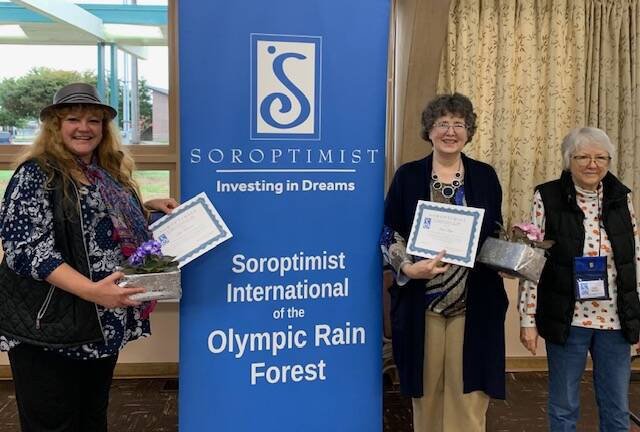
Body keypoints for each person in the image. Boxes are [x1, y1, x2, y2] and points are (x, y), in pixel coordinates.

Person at [0, 82, 178, 432]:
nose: (85, 127)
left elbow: (95, 220)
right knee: (53, 423)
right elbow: (26, 250)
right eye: (73, 119)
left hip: (99, 324)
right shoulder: (37, 174)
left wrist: (146, 207)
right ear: (55, 125)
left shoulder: (105, 172)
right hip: (50, 325)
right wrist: (92, 291)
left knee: (92, 417)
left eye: (94, 120)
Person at [381, 93, 507, 432]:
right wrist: (407, 267)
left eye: (458, 124)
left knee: (468, 395)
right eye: (442, 124)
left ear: (469, 131)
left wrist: (513, 254)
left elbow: (494, 230)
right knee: (427, 393)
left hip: (474, 301)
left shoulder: (485, 176)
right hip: (423, 302)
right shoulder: (408, 176)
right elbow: (389, 232)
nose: (450, 131)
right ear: (429, 130)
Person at [519, 127, 640, 431]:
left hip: (615, 321)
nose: (592, 164)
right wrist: (528, 319)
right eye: (583, 156)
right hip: (567, 318)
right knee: (564, 407)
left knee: (616, 408)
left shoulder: (622, 198)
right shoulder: (546, 196)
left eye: (601, 157)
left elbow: (634, 260)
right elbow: (532, 261)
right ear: (568, 160)